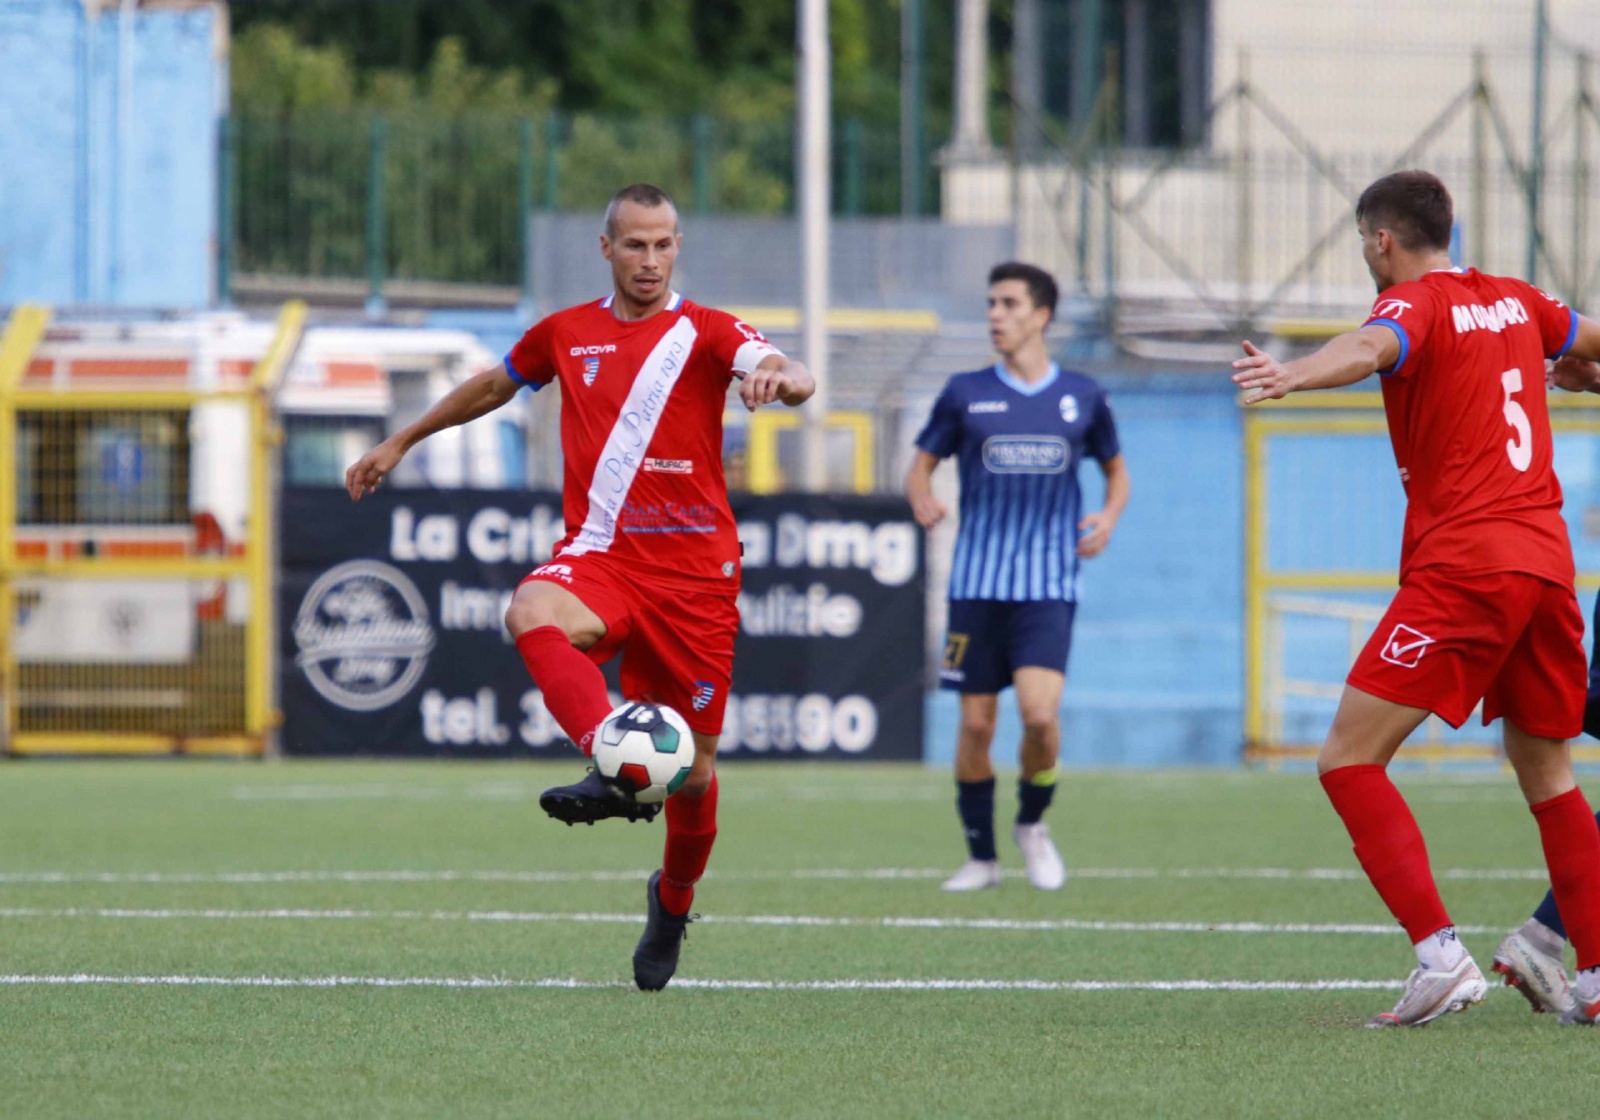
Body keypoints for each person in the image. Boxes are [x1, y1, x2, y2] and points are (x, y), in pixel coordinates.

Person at [345, 183, 814, 991]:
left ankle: (671, 903)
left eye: (664, 244)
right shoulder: (568, 333)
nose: (651, 260)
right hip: (603, 557)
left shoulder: (706, 331)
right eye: (635, 244)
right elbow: (495, 385)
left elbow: (783, 366)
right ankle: (610, 759)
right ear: (608, 248)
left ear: (678, 247)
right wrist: (402, 439)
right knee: (530, 607)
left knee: (696, 774)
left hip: (696, 577)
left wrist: (781, 379)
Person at [1231, 169, 1600, 1027]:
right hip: (1547, 566)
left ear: (1380, 240)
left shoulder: (1413, 307)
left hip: (1467, 567)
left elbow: (1368, 349)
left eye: (1365, 241)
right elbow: (1591, 342)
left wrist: (1291, 374)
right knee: (1549, 774)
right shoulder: (1519, 302)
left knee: (1347, 759)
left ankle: (1440, 957)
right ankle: (1595, 975)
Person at [906, 262, 1130, 892]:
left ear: (1041, 316)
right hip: (976, 586)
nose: (995, 315)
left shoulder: (1082, 397)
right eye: (990, 303)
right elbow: (919, 467)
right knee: (976, 725)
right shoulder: (964, 392)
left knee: (1038, 716)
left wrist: (1107, 518)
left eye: (1008, 303)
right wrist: (920, 495)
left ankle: (1032, 825)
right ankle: (981, 857)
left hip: (1048, 588)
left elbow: (1118, 473)